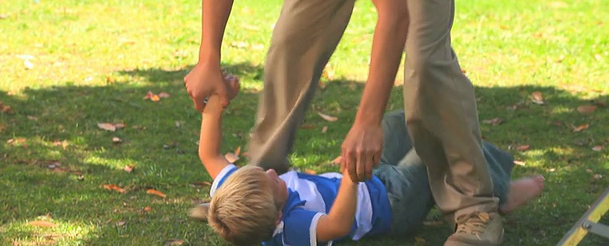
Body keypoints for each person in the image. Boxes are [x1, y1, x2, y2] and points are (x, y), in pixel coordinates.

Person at [184, 0, 505, 244]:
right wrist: (208, 58)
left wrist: (368, 121)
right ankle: (256, 189)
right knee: (295, 36)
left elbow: (394, 16)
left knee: (426, 61)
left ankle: (475, 207)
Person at [190, 75, 544, 245]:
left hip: (372, 177)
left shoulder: (235, 192)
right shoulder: (293, 231)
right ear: (279, 215)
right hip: (391, 203)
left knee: (397, 122)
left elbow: (208, 154)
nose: (271, 170)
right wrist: (349, 176)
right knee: (434, 144)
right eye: (274, 181)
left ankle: (485, 181)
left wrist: (216, 105)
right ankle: (497, 193)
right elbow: (337, 226)